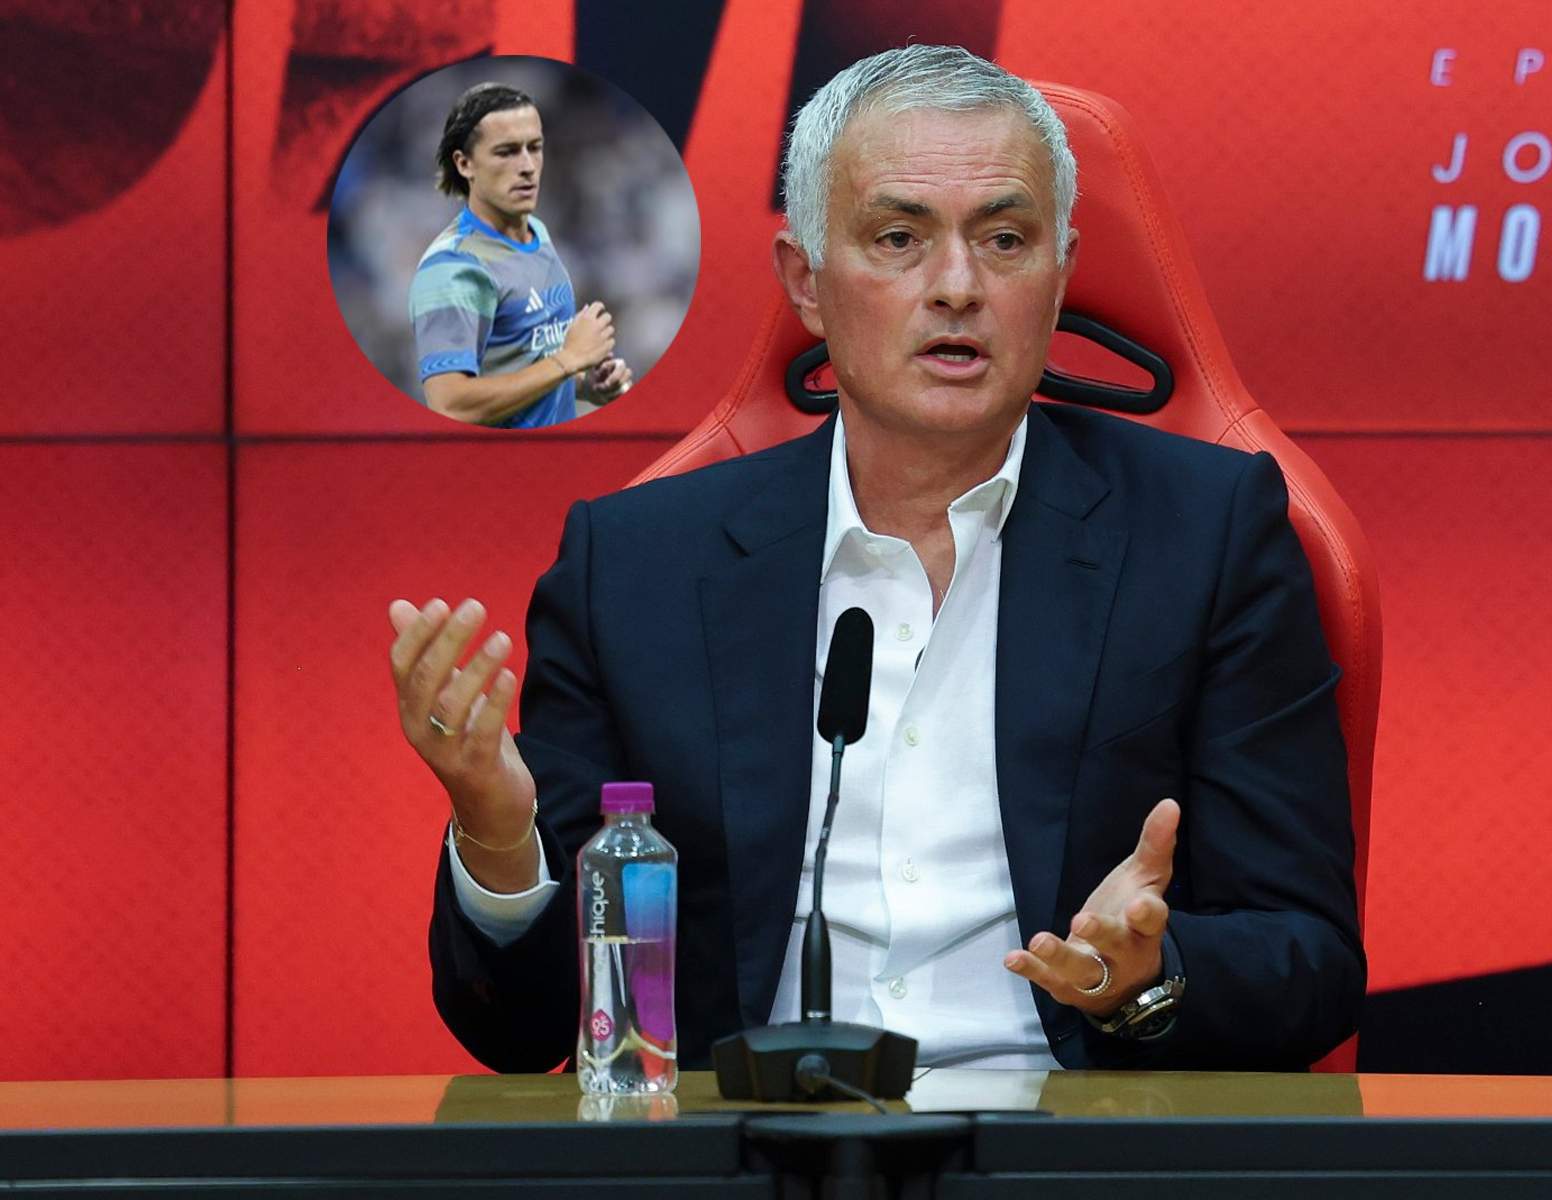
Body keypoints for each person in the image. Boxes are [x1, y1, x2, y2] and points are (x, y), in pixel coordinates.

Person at [393, 46, 1362, 1072]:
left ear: (1061, 274)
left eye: (1005, 240)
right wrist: (497, 832)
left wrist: (1149, 977)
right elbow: (523, 1031)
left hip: (1071, 1133)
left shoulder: (1204, 535)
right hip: (750, 1135)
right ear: (805, 282)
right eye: (899, 238)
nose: (958, 287)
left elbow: (1309, 960)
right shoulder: (635, 570)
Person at [409, 81, 632, 429]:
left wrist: (584, 384)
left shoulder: (537, 233)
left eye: (534, 147)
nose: (527, 165)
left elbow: (523, 363)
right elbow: (451, 406)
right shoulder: (453, 267)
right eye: (506, 152)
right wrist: (568, 360)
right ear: (465, 164)